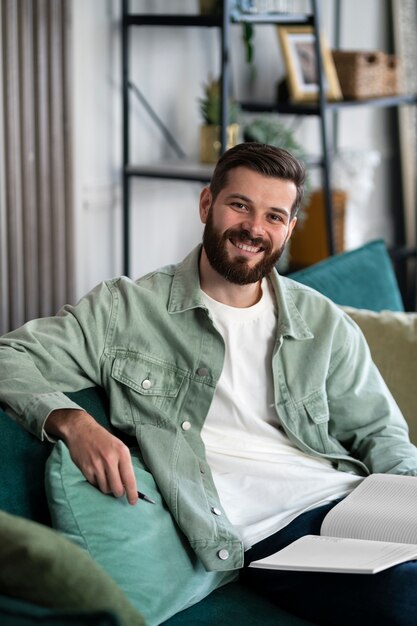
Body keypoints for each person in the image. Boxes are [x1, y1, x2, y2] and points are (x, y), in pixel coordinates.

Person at [1, 142, 417, 626]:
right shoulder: (126, 310)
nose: (254, 229)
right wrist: (71, 420)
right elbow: (10, 355)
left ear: (288, 229)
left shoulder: (321, 321)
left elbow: (380, 433)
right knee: (403, 598)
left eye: (274, 216)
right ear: (207, 205)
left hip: (356, 501)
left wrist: (407, 500)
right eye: (240, 205)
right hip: (275, 534)